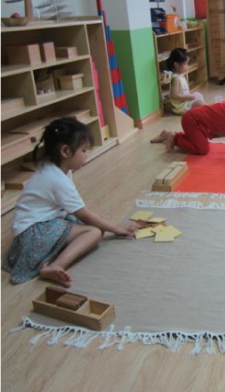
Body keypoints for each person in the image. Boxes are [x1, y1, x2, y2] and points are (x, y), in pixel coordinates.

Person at [2, 117, 139, 287]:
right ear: (66, 151)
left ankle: (49, 257)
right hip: (33, 233)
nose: (87, 155)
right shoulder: (57, 179)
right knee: (94, 232)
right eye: (84, 150)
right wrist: (116, 227)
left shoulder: (57, 169)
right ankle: (55, 266)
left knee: (96, 224)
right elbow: (84, 214)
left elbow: (76, 211)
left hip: (36, 227)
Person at [165, 47, 205, 115]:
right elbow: (174, 95)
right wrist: (188, 97)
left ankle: (204, 110)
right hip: (181, 106)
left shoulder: (181, 75)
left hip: (185, 101)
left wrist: (189, 96)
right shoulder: (176, 78)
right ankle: (205, 111)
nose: (187, 66)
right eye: (185, 64)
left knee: (198, 95)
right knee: (199, 103)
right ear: (176, 64)